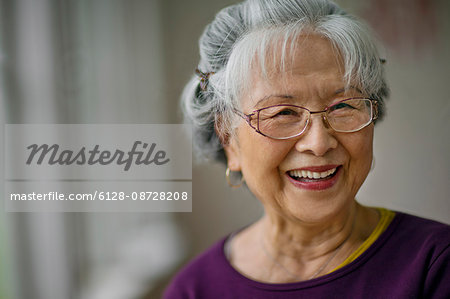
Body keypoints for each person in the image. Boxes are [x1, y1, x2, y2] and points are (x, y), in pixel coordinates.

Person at [164, 0, 450, 298]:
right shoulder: (195, 289)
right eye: (282, 113)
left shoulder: (435, 265)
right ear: (228, 140)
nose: (319, 143)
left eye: (342, 106)